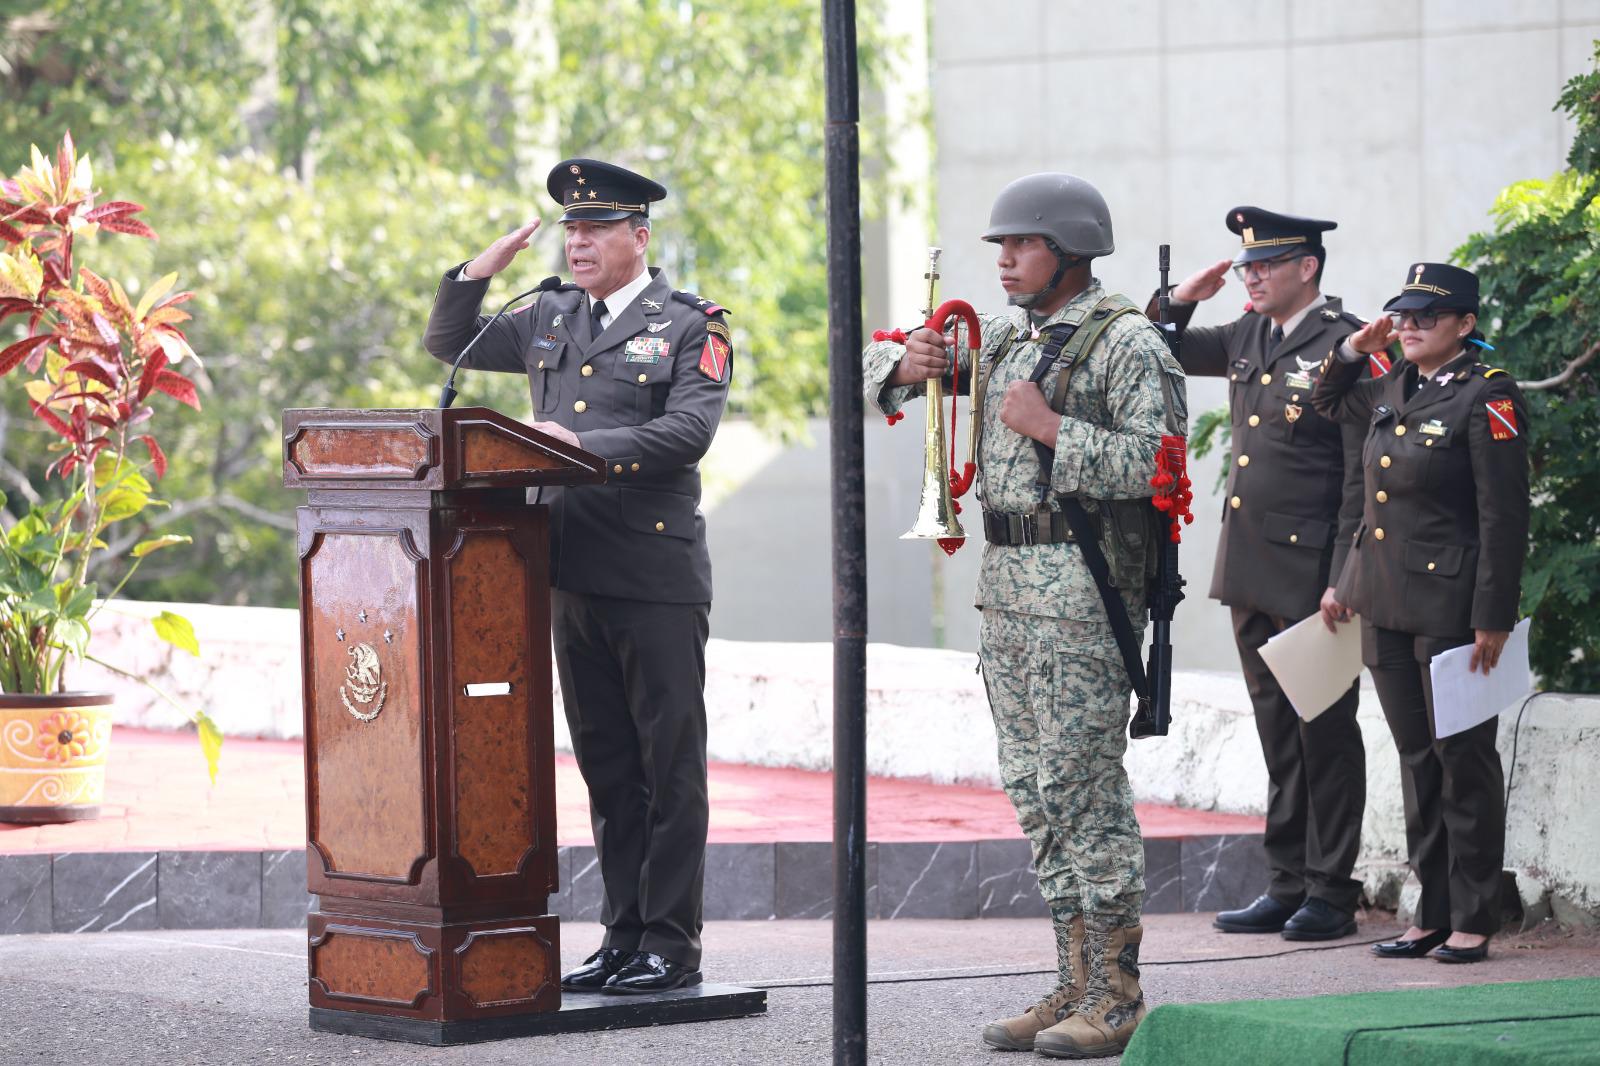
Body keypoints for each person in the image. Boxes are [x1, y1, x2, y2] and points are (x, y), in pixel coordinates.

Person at [864, 173, 1186, 1058]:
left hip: (1084, 595)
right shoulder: (1009, 339)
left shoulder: (1129, 344)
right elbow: (875, 367)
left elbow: (1159, 469)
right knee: (1037, 795)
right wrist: (905, 363)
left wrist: (1049, 428)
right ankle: (1071, 983)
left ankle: (1115, 996)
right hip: (1007, 592)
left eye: (1021, 246)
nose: (1003, 261)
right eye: (999, 248)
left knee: (1084, 790)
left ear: (1070, 252)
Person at [423, 158, 733, 994]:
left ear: (640, 236)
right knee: (606, 766)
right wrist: (478, 271)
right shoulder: (550, 314)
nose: (579, 240)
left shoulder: (692, 326)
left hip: (654, 573)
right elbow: (449, 343)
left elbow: (686, 433)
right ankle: (624, 935)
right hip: (565, 569)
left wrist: (566, 446)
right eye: (570, 228)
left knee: (669, 767)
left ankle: (673, 942)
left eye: (596, 228)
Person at [1157, 207, 1369, 942]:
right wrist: (1181, 298)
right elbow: (1162, 349)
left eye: (1265, 265)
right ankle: (1286, 882)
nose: (1250, 276)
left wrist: (1344, 572)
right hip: (1249, 560)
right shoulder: (1250, 333)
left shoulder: (1345, 342)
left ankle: (1332, 891)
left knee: (1325, 733)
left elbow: (1357, 473)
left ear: (1307, 267)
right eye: (1246, 266)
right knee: (1278, 731)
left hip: (1313, 570)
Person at [1313, 262, 1529, 964]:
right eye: (1400, 316)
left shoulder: (1487, 398)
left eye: (1424, 318)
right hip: (1384, 602)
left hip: (1453, 606)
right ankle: (1430, 910)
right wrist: (1351, 347)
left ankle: (1474, 914)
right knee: (1416, 760)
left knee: (1462, 758)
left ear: (1465, 325)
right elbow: (1325, 400)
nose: (1407, 327)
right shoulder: (1389, 386)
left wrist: (1492, 614)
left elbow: (1504, 517)